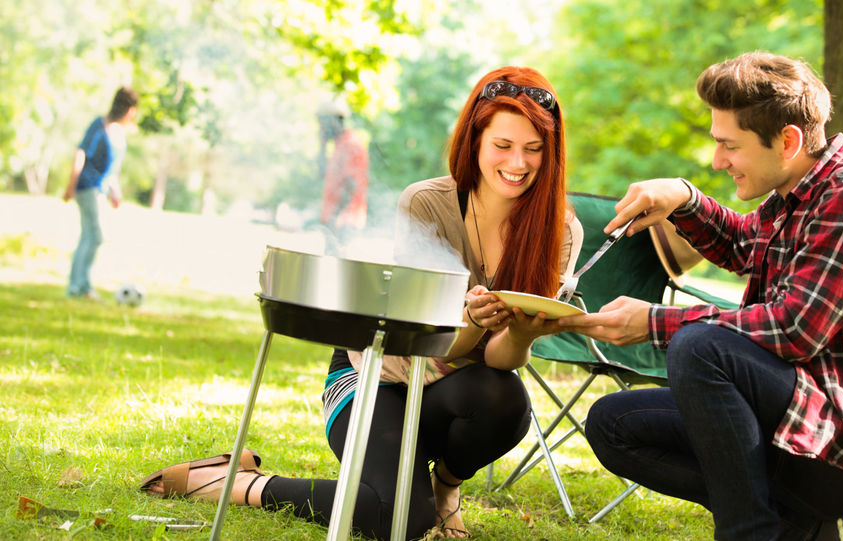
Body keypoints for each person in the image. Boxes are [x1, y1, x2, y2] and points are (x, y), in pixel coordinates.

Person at [139, 66, 583, 540]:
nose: (518, 163)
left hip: (454, 392)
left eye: (534, 149)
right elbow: (422, 347)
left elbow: (500, 360)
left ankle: (444, 487)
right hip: (377, 373)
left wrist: (520, 332)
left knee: (506, 399)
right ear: (474, 141)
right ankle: (237, 482)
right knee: (401, 523)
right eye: (503, 145)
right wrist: (472, 319)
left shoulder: (560, 232)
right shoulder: (428, 204)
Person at [561, 52, 843, 541]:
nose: (716, 161)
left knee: (699, 346)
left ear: (787, 141)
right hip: (789, 424)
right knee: (613, 423)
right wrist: (683, 198)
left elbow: (795, 328)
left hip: (839, 448)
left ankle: (751, 532)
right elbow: (744, 246)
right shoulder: (792, 194)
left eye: (729, 145)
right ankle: (796, 528)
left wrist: (657, 322)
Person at [63, 86, 138, 299]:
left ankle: (76, 287)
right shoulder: (100, 125)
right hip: (87, 186)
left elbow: (110, 168)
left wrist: (115, 191)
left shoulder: (119, 132)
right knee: (95, 236)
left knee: (87, 236)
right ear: (130, 109)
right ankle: (81, 287)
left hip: (100, 190)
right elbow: (81, 153)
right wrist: (71, 184)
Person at [317, 98, 369, 234]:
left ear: (333, 121)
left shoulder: (350, 145)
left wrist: (335, 219)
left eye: (322, 122)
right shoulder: (339, 146)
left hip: (344, 224)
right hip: (335, 222)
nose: (320, 127)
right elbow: (321, 174)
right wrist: (322, 145)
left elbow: (351, 185)